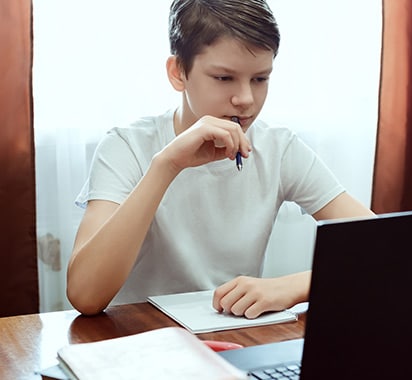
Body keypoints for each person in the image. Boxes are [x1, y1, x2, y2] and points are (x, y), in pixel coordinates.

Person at [67, 0, 375, 317]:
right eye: (224, 78)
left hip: (236, 338)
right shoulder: (126, 146)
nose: (246, 99)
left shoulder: (278, 148)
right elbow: (85, 295)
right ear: (178, 73)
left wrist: (294, 287)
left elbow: (387, 249)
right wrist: (166, 165)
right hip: (142, 342)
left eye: (260, 79)